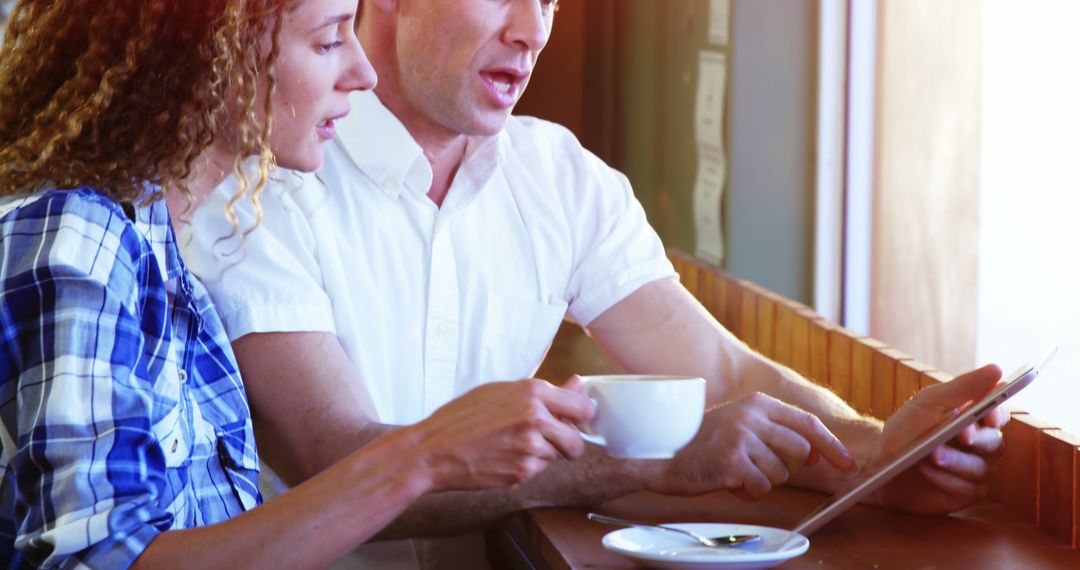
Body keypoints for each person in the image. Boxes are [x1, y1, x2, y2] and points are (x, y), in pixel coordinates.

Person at [181, 0, 1010, 567]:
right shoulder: (263, 176)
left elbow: (718, 375)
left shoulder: (561, 177)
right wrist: (647, 464)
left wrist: (876, 451)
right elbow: (341, 460)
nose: (531, 31)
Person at [0, 0, 595, 567]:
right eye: (330, 39)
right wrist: (423, 455)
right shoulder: (80, 236)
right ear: (216, 54)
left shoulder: (165, 254)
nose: (362, 72)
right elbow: (99, 561)